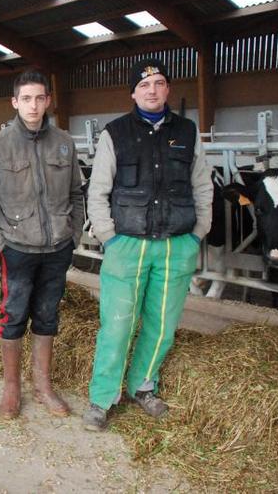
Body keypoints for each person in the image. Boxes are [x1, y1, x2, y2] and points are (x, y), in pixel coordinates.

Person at [83, 58, 213, 431]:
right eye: (144, 85)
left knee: (162, 325)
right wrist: (109, 236)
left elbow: (202, 184)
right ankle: (103, 397)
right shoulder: (115, 133)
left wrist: (197, 232)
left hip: (176, 245)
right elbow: (99, 189)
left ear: (168, 89)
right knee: (117, 323)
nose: (152, 90)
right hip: (128, 245)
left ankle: (143, 385)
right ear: (133, 93)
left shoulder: (188, 132)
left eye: (158, 83)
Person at [0, 70, 84, 420]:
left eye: (40, 98)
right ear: (15, 102)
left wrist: (74, 234)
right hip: (17, 248)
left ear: (48, 100)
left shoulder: (64, 142)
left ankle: (42, 385)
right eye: (26, 98)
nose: (34, 105)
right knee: (13, 315)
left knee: (47, 314)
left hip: (57, 247)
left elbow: (75, 194)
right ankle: (12, 388)